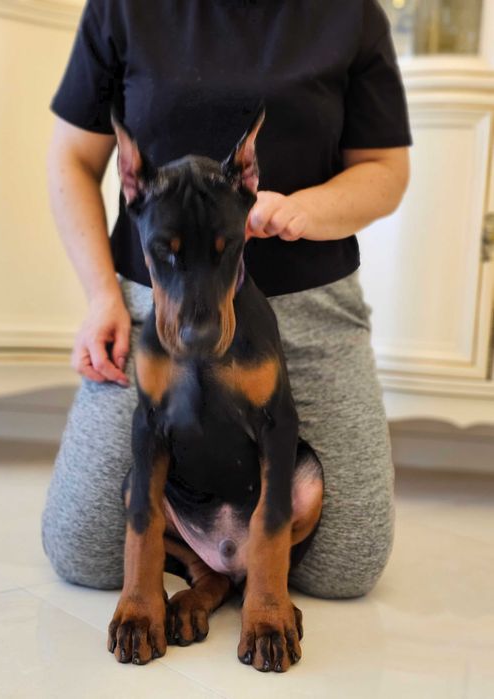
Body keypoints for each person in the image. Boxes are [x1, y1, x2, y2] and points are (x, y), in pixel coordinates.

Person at [42, 0, 412, 599]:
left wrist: (303, 211)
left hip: (309, 302)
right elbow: (74, 159)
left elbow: (385, 169)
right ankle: (205, 572)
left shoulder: (352, 13)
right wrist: (102, 295)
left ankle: (232, 561)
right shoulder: (122, 9)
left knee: (346, 564)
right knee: (86, 550)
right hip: (156, 305)